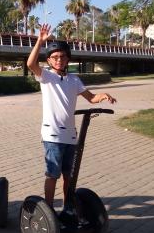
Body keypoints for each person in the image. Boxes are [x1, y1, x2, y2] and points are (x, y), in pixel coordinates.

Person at [27, 24, 116, 208]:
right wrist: (40, 41)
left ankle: (68, 208)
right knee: (53, 173)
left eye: (62, 57)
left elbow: (91, 98)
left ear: (68, 59)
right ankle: (49, 210)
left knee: (69, 174)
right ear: (50, 60)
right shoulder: (46, 77)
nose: (59, 60)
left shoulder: (74, 80)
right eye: (55, 57)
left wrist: (104, 96)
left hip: (71, 135)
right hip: (52, 134)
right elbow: (30, 64)